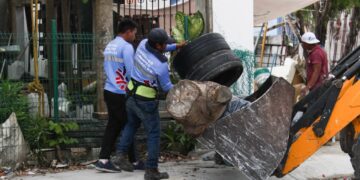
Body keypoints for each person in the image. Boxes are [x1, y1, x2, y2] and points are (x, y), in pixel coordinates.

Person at [113, 28, 185, 180]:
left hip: (131, 95)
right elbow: (167, 88)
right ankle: (151, 170)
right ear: (158, 46)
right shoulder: (160, 65)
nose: (167, 45)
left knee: (131, 125)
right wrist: (182, 88)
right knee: (153, 134)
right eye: (165, 44)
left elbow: (162, 47)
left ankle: (119, 155)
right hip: (146, 102)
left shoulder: (143, 44)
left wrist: (176, 46)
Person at [95, 19, 138, 173]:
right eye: (134, 33)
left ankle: (132, 160)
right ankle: (105, 159)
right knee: (127, 125)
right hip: (120, 92)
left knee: (120, 124)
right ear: (128, 32)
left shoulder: (110, 45)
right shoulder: (126, 47)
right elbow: (131, 71)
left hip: (109, 90)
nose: (134, 36)